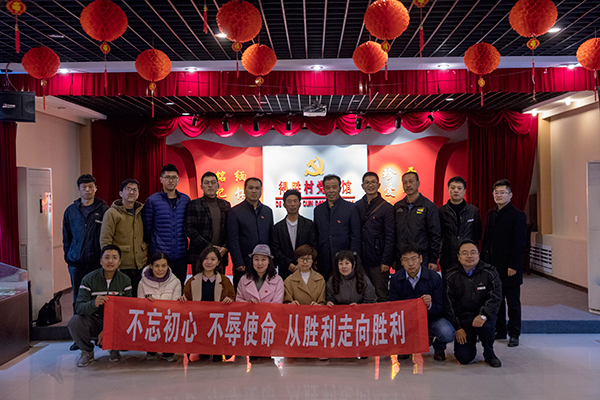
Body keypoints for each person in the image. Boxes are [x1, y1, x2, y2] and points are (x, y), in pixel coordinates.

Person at [62, 174, 108, 351]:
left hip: (97, 263)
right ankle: (79, 338)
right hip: (77, 263)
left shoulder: (104, 209)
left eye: (90, 186)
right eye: (84, 187)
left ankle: (101, 335)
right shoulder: (71, 211)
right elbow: (66, 236)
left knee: (99, 298)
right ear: (79, 189)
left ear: (96, 188)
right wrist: (68, 256)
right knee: (78, 299)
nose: (87, 190)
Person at [67, 244, 132, 367]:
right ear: (101, 261)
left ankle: (114, 347)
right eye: (107, 257)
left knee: (128, 320)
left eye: (114, 258)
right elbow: (79, 307)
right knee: (75, 322)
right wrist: (93, 303)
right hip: (94, 320)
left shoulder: (125, 281)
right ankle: (87, 352)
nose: (110, 261)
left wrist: (108, 329)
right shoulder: (88, 279)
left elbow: (127, 310)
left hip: (115, 321)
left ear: (119, 262)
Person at [389, 244, 455, 361]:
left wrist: (430, 305)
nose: (410, 263)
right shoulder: (395, 279)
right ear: (401, 262)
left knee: (447, 332)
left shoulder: (434, 277)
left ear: (420, 259)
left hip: (430, 319)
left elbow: (440, 307)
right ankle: (405, 347)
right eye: (406, 260)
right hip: (407, 322)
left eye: (414, 259)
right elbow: (393, 307)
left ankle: (439, 347)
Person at [482, 178, 527, 347]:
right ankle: (500, 330)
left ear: (510, 195)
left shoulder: (518, 215)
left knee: (513, 302)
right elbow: (487, 240)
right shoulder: (491, 214)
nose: (499, 195)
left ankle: (514, 333)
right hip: (493, 266)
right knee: (497, 300)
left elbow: (519, 243)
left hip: (510, 267)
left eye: (503, 192)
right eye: (496, 192)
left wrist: (513, 265)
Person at [445, 240, 502, 367]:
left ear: (478, 255)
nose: (469, 256)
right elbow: (449, 304)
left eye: (473, 252)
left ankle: (489, 354)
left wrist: (483, 315)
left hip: (482, 316)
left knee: (487, 327)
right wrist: (458, 328)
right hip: (463, 319)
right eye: (465, 253)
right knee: (464, 358)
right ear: (458, 257)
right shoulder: (451, 276)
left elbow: (495, 298)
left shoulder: (490, 272)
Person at [181, 244, 235, 363]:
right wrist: (183, 300)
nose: (209, 262)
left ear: (218, 262)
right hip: (199, 321)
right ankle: (202, 348)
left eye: (213, 259)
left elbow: (232, 298)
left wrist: (230, 300)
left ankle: (217, 350)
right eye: (206, 258)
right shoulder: (192, 281)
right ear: (201, 261)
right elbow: (187, 300)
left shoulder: (225, 281)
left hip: (218, 322)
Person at [143, 164, 191, 288]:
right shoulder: (152, 201)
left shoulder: (185, 200)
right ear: (161, 179)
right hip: (160, 256)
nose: (171, 180)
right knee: (159, 289)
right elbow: (147, 229)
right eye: (167, 177)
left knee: (179, 288)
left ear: (178, 180)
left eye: (174, 177)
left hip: (181, 255)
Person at [100, 178, 147, 297]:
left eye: (135, 190)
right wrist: (110, 262)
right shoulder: (112, 213)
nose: (131, 192)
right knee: (122, 300)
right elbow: (105, 239)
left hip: (140, 264)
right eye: (128, 189)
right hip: (121, 265)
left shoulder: (143, 211)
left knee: (138, 298)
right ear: (121, 193)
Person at [227, 178, 274, 289]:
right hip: (244, 263)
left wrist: (272, 261)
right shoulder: (235, 212)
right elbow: (233, 239)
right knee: (243, 293)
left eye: (257, 188)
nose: (254, 191)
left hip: (264, 264)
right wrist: (238, 262)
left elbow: (271, 237)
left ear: (261, 191)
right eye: (251, 188)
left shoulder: (267, 211)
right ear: (244, 190)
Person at [356, 172, 395, 302]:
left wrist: (386, 261)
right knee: (362, 294)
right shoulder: (356, 206)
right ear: (362, 186)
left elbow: (390, 236)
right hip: (361, 260)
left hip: (379, 262)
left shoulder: (387, 208)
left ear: (378, 185)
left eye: (373, 182)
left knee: (381, 294)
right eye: (367, 183)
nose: (370, 185)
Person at [314, 174, 361, 282]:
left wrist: (353, 258)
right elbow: (316, 235)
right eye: (328, 188)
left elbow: (355, 236)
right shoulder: (318, 210)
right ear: (323, 189)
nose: (331, 191)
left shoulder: (351, 208)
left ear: (340, 188)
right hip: (324, 260)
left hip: (344, 261)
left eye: (334, 187)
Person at [138, 251, 182, 362]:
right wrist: (147, 303)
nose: (160, 269)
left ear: (168, 266)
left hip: (168, 320)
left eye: (163, 266)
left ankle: (168, 351)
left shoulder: (176, 282)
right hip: (150, 321)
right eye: (156, 266)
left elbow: (175, 306)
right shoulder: (142, 283)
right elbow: (139, 305)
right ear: (151, 266)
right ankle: (151, 350)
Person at [185, 171, 231, 274]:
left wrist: (225, 247)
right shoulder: (194, 204)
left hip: (220, 255)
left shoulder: (226, 205)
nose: (210, 185)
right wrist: (209, 247)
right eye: (206, 183)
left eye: (213, 182)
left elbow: (230, 230)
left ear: (218, 186)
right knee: (198, 283)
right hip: (199, 255)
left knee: (219, 283)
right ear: (201, 186)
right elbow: (190, 229)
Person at [394, 171, 441, 271]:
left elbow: (435, 235)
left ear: (418, 183)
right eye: (405, 182)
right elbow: (393, 234)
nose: (408, 185)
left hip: (422, 258)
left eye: (411, 181)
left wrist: (433, 259)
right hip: (401, 258)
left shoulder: (429, 207)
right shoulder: (398, 207)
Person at [439, 176, 482, 277]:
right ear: (448, 190)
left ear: (464, 191)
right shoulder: (441, 212)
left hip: (468, 257)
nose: (456, 191)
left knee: (468, 283)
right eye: (453, 188)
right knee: (448, 283)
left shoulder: (473, 211)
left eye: (459, 188)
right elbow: (438, 234)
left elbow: (477, 234)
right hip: (447, 256)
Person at [272, 189, 317, 281]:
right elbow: (275, 250)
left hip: (306, 268)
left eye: (295, 201)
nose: (292, 204)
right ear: (284, 205)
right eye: (289, 201)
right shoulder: (277, 228)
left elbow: (313, 246)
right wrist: (289, 264)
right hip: (286, 270)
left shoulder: (309, 225)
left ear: (300, 204)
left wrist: (302, 263)